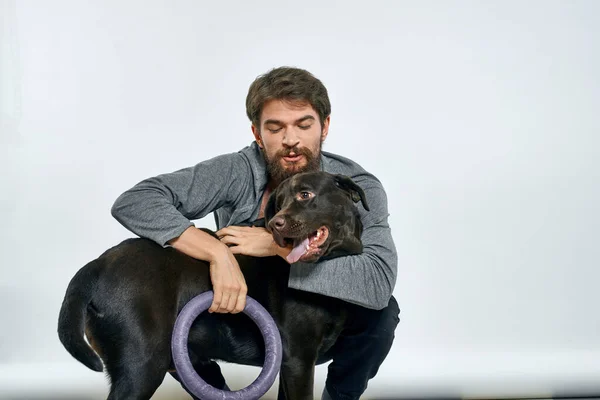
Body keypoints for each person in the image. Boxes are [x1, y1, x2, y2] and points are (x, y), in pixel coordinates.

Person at [111, 66, 400, 400]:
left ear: (325, 127)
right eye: (275, 128)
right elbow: (135, 201)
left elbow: (378, 282)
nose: (291, 140)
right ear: (258, 134)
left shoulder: (356, 185)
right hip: (241, 318)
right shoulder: (237, 171)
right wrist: (216, 253)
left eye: (303, 125)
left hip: (321, 325)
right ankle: (214, 392)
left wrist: (274, 246)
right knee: (170, 303)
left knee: (382, 315)